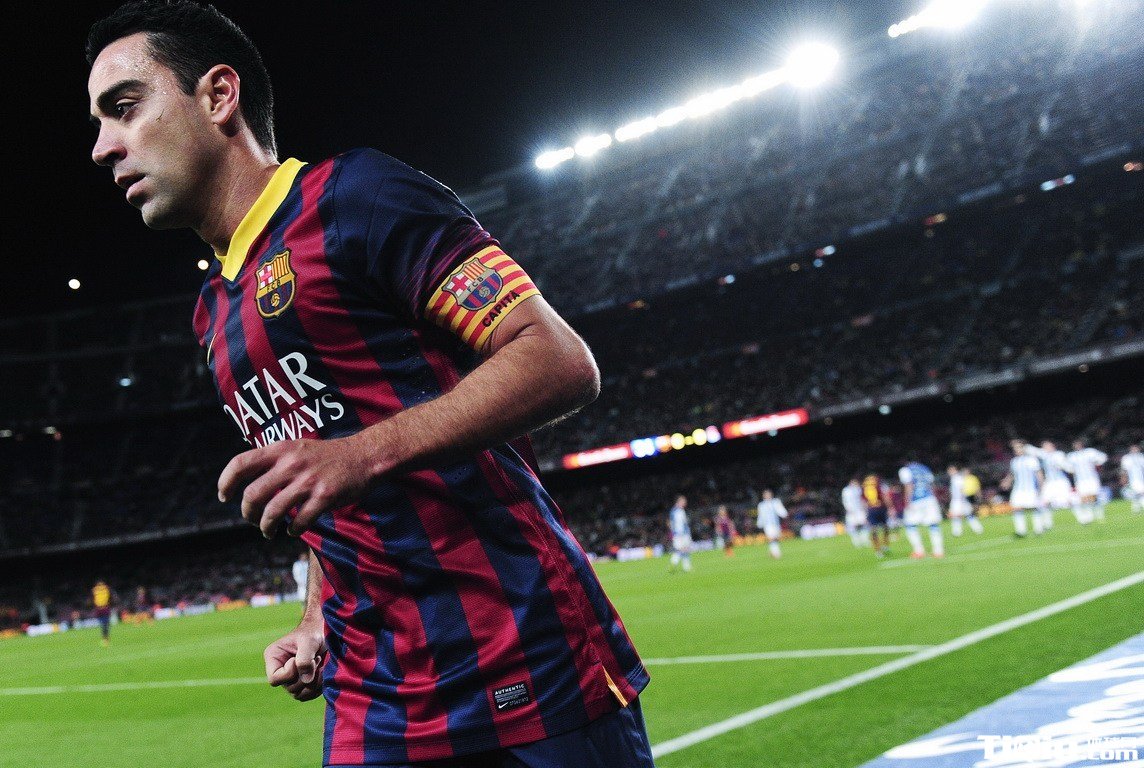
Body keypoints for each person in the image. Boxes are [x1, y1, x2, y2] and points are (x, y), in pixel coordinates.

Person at [86, 5, 653, 766]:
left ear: (219, 96)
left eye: (124, 107)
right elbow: (320, 480)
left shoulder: (355, 197)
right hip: (372, 694)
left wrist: (359, 454)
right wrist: (315, 616)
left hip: (523, 659)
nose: (102, 147)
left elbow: (556, 358)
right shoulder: (212, 313)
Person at [898, 461, 944, 559]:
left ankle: (919, 551)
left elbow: (909, 485)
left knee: (910, 525)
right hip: (929, 498)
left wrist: (907, 501)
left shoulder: (906, 470)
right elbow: (931, 484)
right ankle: (938, 551)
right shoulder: (924, 468)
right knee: (933, 524)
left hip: (916, 500)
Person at [1002, 440, 1044, 537]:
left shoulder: (1031, 460)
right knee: (1016, 508)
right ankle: (1021, 531)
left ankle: (1038, 528)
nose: (1017, 450)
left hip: (1030, 488)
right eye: (1015, 448)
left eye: (1019, 447)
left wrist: (1041, 486)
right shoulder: (1014, 461)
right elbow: (1012, 474)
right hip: (1018, 489)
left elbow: (1039, 474)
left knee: (1034, 507)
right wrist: (1007, 482)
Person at [1030, 441, 1071, 530]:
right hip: (1049, 482)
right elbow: (1033, 450)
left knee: (1069, 501)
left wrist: (1065, 466)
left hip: (1061, 481)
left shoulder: (1059, 454)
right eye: (1044, 446)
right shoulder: (1044, 454)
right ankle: (1047, 523)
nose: (1046, 448)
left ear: (1053, 446)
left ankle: (1083, 519)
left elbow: (1066, 466)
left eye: (1047, 446)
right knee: (1043, 502)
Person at [1067, 440, 1109, 523]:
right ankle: (1089, 515)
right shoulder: (1072, 456)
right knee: (1084, 498)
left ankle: (1099, 514)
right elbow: (1068, 467)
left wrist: (1098, 464)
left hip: (1092, 478)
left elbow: (1103, 457)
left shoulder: (1090, 452)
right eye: (1076, 445)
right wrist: (1071, 471)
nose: (1077, 446)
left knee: (1094, 497)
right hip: (1080, 480)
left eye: (1079, 444)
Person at [946, 465, 983, 537]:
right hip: (959, 499)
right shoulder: (954, 478)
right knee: (967, 514)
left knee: (958, 515)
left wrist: (961, 498)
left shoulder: (957, 478)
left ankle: (958, 531)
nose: (949, 472)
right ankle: (977, 528)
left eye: (951, 470)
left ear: (955, 470)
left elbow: (961, 489)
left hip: (959, 500)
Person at [862, 474, 891, 558]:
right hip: (881, 508)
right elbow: (885, 496)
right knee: (885, 528)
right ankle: (885, 546)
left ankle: (878, 550)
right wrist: (890, 507)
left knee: (874, 529)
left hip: (871, 509)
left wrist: (865, 512)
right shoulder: (880, 484)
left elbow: (863, 501)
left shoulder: (864, 486)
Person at [755, 489, 788, 559]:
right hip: (767, 524)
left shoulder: (775, 502)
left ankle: (772, 550)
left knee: (776, 537)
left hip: (776, 523)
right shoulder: (761, 505)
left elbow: (780, 510)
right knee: (771, 537)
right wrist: (759, 523)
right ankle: (776, 553)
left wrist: (784, 514)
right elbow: (760, 515)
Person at [840, 478, 870, 548]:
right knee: (853, 526)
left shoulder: (859, 489)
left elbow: (863, 499)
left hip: (860, 510)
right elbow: (845, 501)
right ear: (851, 483)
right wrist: (848, 509)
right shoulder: (846, 490)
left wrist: (865, 507)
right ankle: (856, 541)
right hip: (851, 511)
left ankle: (865, 539)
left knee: (865, 524)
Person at [668, 496, 693, 572]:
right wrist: (680, 534)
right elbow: (679, 524)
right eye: (684, 501)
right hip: (681, 534)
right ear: (679, 501)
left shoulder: (674, 510)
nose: (685, 503)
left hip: (679, 533)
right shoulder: (678, 511)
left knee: (683, 550)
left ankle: (681, 565)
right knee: (683, 549)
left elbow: (671, 523)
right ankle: (676, 564)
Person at [1120, 444, 1144, 514]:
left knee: (1138, 493)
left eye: (1136, 448)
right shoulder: (1127, 458)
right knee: (1139, 493)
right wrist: (1123, 478)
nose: (1135, 450)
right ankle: (1137, 507)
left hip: (1141, 478)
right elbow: (1124, 469)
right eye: (1133, 449)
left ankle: (1135, 508)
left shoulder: (1141, 457)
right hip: (1132, 479)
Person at [92, 579, 113, 647]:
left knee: (104, 625)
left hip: (100, 609)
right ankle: (105, 638)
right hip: (104, 608)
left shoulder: (95, 590)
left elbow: (94, 599)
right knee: (104, 625)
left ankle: (105, 639)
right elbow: (110, 598)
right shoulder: (106, 589)